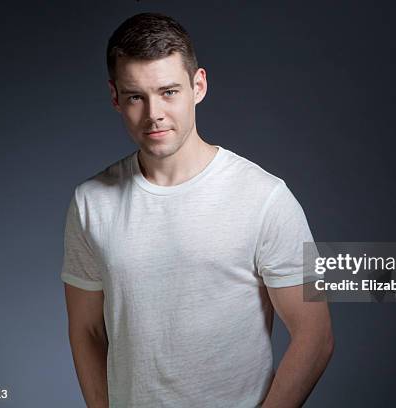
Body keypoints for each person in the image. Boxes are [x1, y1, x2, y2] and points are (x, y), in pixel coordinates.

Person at [61, 12, 334, 408]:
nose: (153, 113)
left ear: (198, 85)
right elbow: (85, 330)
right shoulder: (91, 203)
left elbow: (315, 335)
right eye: (136, 96)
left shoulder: (265, 197)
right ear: (115, 97)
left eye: (169, 91)